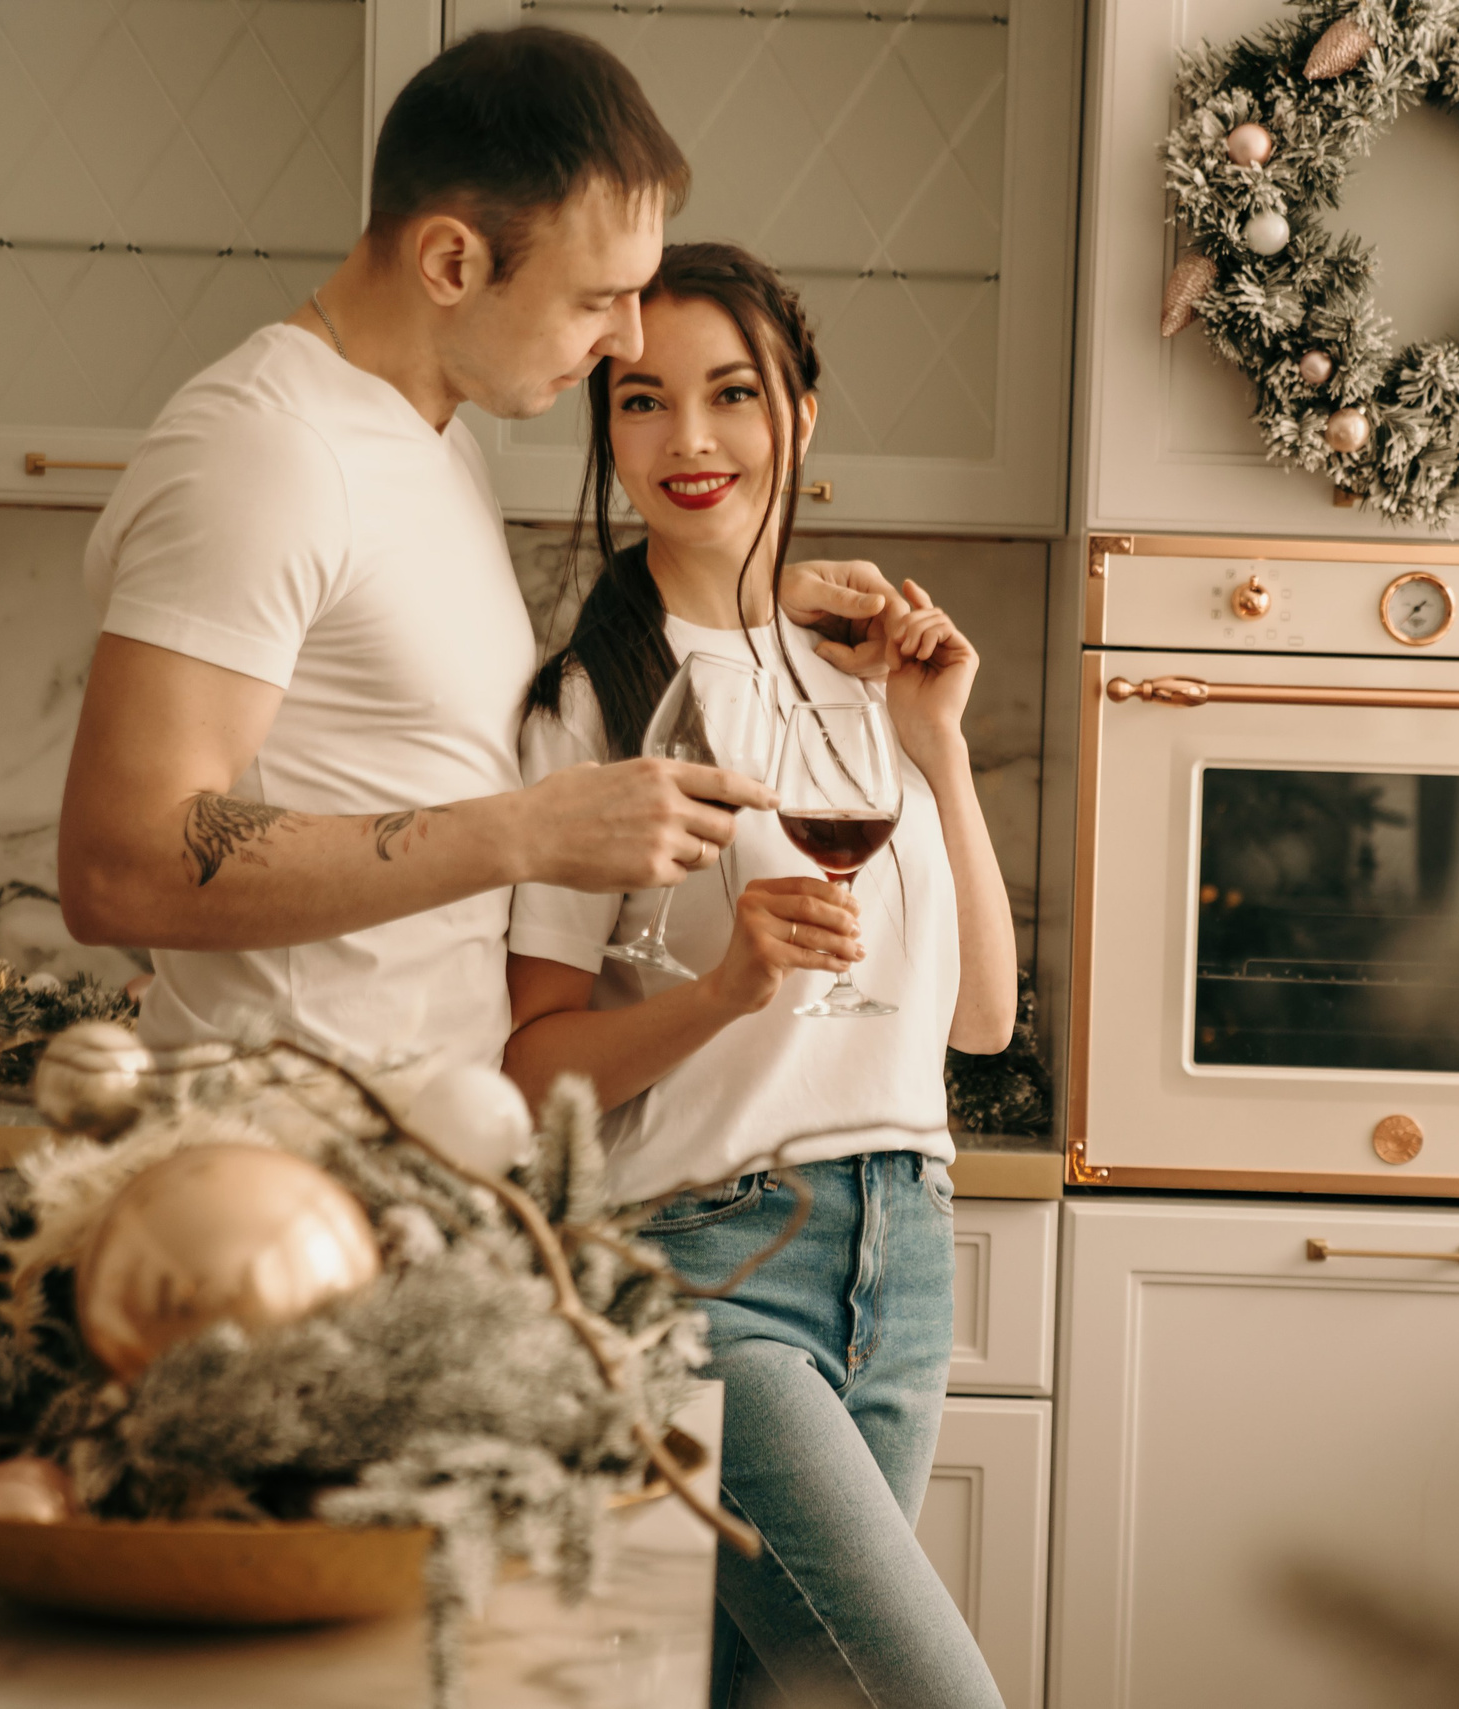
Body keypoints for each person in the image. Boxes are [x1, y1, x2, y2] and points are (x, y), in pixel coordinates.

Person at [56, 28, 895, 1074]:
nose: (628, 341)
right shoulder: (263, 450)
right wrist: (522, 835)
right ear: (452, 260)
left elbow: (405, 725)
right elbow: (117, 865)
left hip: (421, 1160)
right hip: (287, 1172)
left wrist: (756, 598)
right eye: (598, 298)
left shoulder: (431, 441)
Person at [501, 243, 1018, 1709]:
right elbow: (531, 1066)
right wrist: (727, 988)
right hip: (708, 1270)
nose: (691, 441)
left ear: (801, 411)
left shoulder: (871, 673)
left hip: (905, 1256)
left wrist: (941, 746)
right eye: (643, 401)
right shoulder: (590, 702)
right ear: (606, 430)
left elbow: (977, 1022)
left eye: (732, 393)